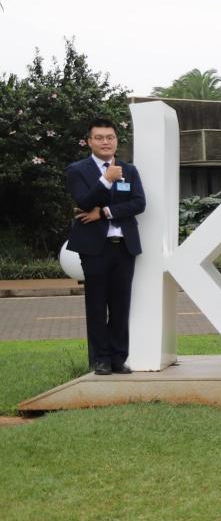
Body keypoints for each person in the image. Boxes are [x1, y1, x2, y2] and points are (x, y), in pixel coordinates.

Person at [67, 118, 146, 375]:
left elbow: (139, 203)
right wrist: (105, 180)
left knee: (121, 306)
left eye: (110, 137)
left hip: (124, 246)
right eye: (99, 138)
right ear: (89, 141)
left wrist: (104, 212)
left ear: (116, 141)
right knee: (97, 305)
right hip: (94, 248)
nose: (105, 142)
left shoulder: (129, 170)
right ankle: (100, 359)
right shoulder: (77, 170)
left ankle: (118, 358)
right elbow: (83, 201)